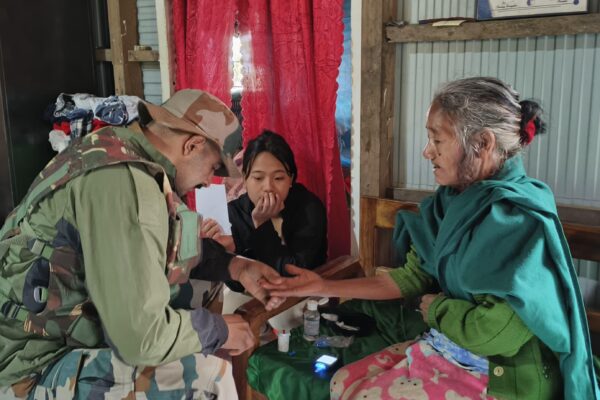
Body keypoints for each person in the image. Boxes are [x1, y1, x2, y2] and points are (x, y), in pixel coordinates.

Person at [264, 77, 600, 399]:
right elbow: (412, 277)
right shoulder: (451, 202)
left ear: (483, 143)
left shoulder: (516, 220)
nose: (427, 152)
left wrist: (437, 309)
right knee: (342, 382)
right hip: (453, 345)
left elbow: (498, 333)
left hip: (503, 372)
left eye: (437, 141)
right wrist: (323, 285)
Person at [0, 89, 284, 399]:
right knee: (209, 379)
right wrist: (219, 330)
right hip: (29, 363)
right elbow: (139, 337)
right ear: (192, 145)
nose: (207, 182)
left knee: (207, 285)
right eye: (213, 168)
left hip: (64, 325)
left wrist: (236, 267)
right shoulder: (124, 184)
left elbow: (173, 246)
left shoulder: (120, 148)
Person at [204, 130, 327, 277]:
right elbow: (235, 282)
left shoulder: (308, 208)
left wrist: (262, 224)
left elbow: (295, 273)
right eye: (258, 178)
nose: (268, 187)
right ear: (245, 179)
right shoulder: (234, 213)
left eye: (278, 178)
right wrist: (223, 251)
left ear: (290, 179)